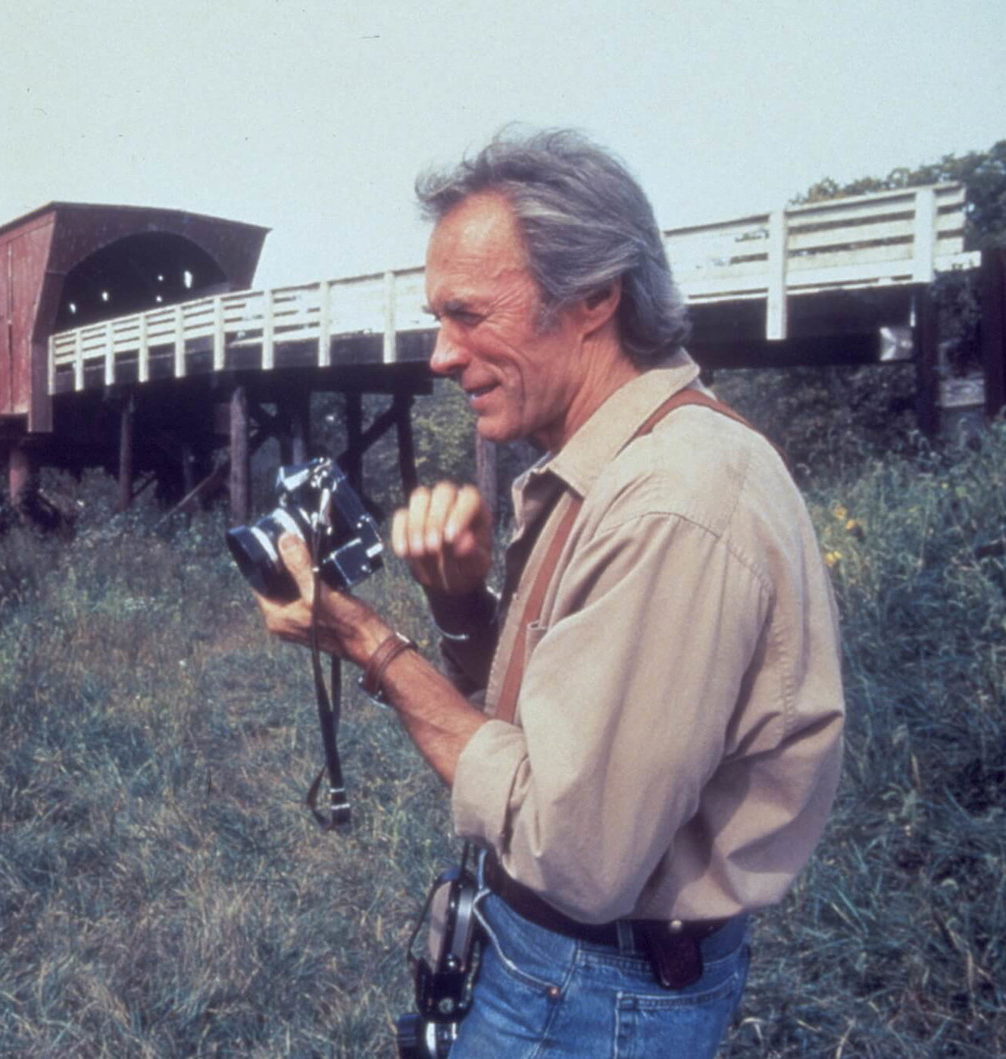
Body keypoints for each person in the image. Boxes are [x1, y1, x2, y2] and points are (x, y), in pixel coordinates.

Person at [253, 128, 844, 1057]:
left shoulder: (669, 506)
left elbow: (575, 851)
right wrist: (458, 606)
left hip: (593, 993)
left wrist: (366, 639)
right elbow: (566, 728)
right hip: (569, 970)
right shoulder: (626, 463)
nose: (440, 356)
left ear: (595, 298)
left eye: (469, 315)